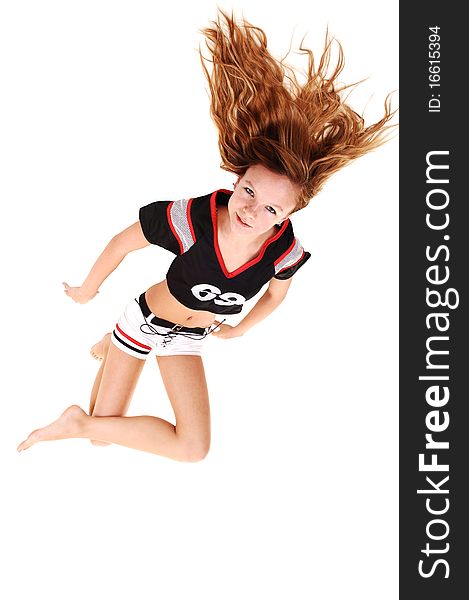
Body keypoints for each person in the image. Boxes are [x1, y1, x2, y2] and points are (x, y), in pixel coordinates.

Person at [17, 10, 396, 460]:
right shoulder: (194, 218)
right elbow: (125, 241)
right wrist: (87, 288)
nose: (251, 211)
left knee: (193, 449)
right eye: (249, 191)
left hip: (190, 337)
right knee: (101, 435)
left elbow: (275, 296)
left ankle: (96, 375)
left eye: (271, 208)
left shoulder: (284, 250)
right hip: (145, 323)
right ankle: (91, 393)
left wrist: (240, 330)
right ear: (237, 180)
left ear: (289, 214)